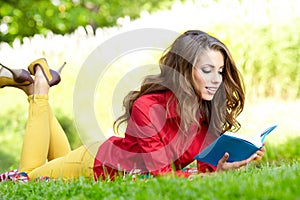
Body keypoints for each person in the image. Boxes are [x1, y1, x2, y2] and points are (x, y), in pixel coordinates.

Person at [0, 30, 266, 182]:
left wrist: (226, 165)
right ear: (183, 71)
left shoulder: (207, 112)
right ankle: (40, 89)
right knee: (26, 177)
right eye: (207, 70)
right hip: (92, 165)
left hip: (101, 158)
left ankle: (32, 88)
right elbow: (161, 175)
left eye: (220, 71)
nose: (216, 80)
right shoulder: (148, 107)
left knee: (52, 162)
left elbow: (203, 171)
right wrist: (205, 177)